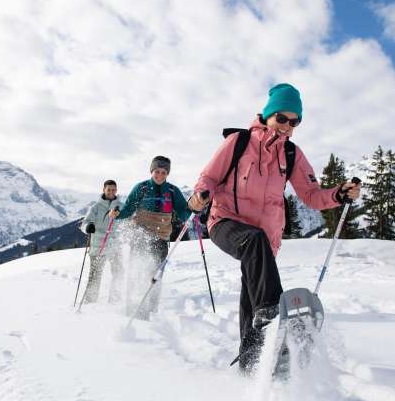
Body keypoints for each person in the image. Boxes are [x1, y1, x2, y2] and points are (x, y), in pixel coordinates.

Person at [188, 83, 361, 373]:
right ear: (268, 115)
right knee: (257, 261)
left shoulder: (291, 154)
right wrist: (199, 195)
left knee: (252, 294)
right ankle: (274, 314)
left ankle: (252, 361)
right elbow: (209, 177)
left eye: (295, 122)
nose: (287, 127)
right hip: (225, 222)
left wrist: (339, 194)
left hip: (265, 240)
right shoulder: (239, 142)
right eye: (282, 118)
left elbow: (311, 195)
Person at [109, 156, 192, 319]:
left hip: (161, 237)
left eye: (163, 172)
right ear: (151, 171)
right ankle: (131, 306)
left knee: (155, 275)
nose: (160, 175)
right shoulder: (141, 188)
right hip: (140, 234)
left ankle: (151, 310)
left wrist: (193, 207)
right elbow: (128, 209)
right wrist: (117, 214)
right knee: (136, 270)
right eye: (157, 171)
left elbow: (183, 213)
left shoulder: (172, 191)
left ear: (167, 173)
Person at [81, 180, 124, 304]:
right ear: (104, 190)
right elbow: (85, 223)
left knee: (119, 272)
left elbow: (129, 219)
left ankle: (115, 300)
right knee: (95, 275)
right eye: (109, 189)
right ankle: (90, 302)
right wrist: (88, 227)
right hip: (98, 246)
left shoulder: (121, 206)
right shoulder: (96, 207)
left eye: (113, 189)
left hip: (115, 245)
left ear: (116, 190)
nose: (111, 192)